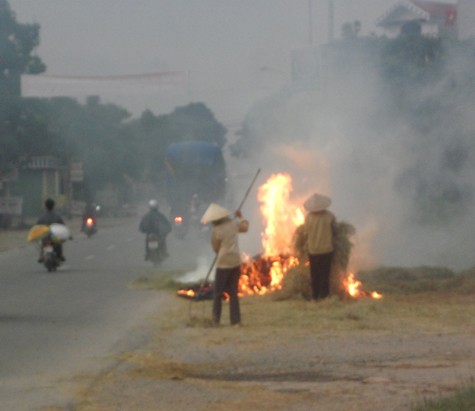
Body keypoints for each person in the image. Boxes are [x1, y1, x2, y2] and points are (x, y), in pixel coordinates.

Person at [202, 203, 249, 327]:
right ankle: (236, 322)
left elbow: (215, 246)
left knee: (218, 293)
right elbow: (245, 227)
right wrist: (241, 216)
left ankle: (215, 320)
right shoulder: (233, 224)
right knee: (233, 292)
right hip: (235, 261)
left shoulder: (215, 230)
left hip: (223, 263)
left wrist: (220, 253)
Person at [303, 193, 336, 301]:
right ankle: (324, 296)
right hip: (326, 250)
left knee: (315, 275)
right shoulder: (330, 216)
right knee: (325, 275)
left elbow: (305, 232)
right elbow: (335, 230)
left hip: (313, 251)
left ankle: (315, 297)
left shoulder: (308, 217)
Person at [36, 198, 66, 262]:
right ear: (53, 206)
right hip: (54, 236)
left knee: (42, 243)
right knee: (59, 243)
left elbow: (37, 226)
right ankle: (60, 255)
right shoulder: (57, 216)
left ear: (45, 206)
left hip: (45, 236)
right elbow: (63, 225)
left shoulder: (42, 216)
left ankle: (41, 255)